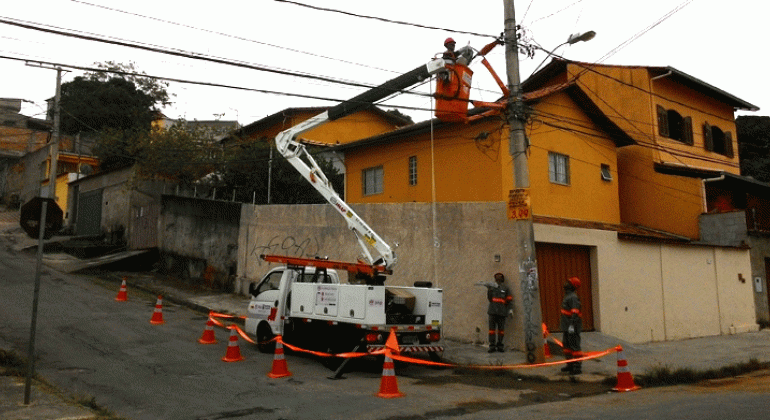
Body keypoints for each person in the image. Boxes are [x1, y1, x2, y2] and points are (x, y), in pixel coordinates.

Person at [560, 276, 583, 374]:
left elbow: (575, 313)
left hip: (572, 326)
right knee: (567, 346)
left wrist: (572, 325)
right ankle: (569, 364)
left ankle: (577, 367)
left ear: (572, 286)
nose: (566, 284)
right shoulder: (568, 296)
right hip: (566, 326)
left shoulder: (573, 297)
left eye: (569, 283)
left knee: (574, 346)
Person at [487, 272, 513, 353]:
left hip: (502, 312)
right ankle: (492, 346)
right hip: (492, 312)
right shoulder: (492, 288)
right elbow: (490, 299)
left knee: (501, 330)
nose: (498, 279)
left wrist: (510, 309)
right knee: (492, 330)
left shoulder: (506, 288)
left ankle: (500, 345)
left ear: (502, 279)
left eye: (500, 277)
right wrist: (489, 290)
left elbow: (509, 300)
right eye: (497, 278)